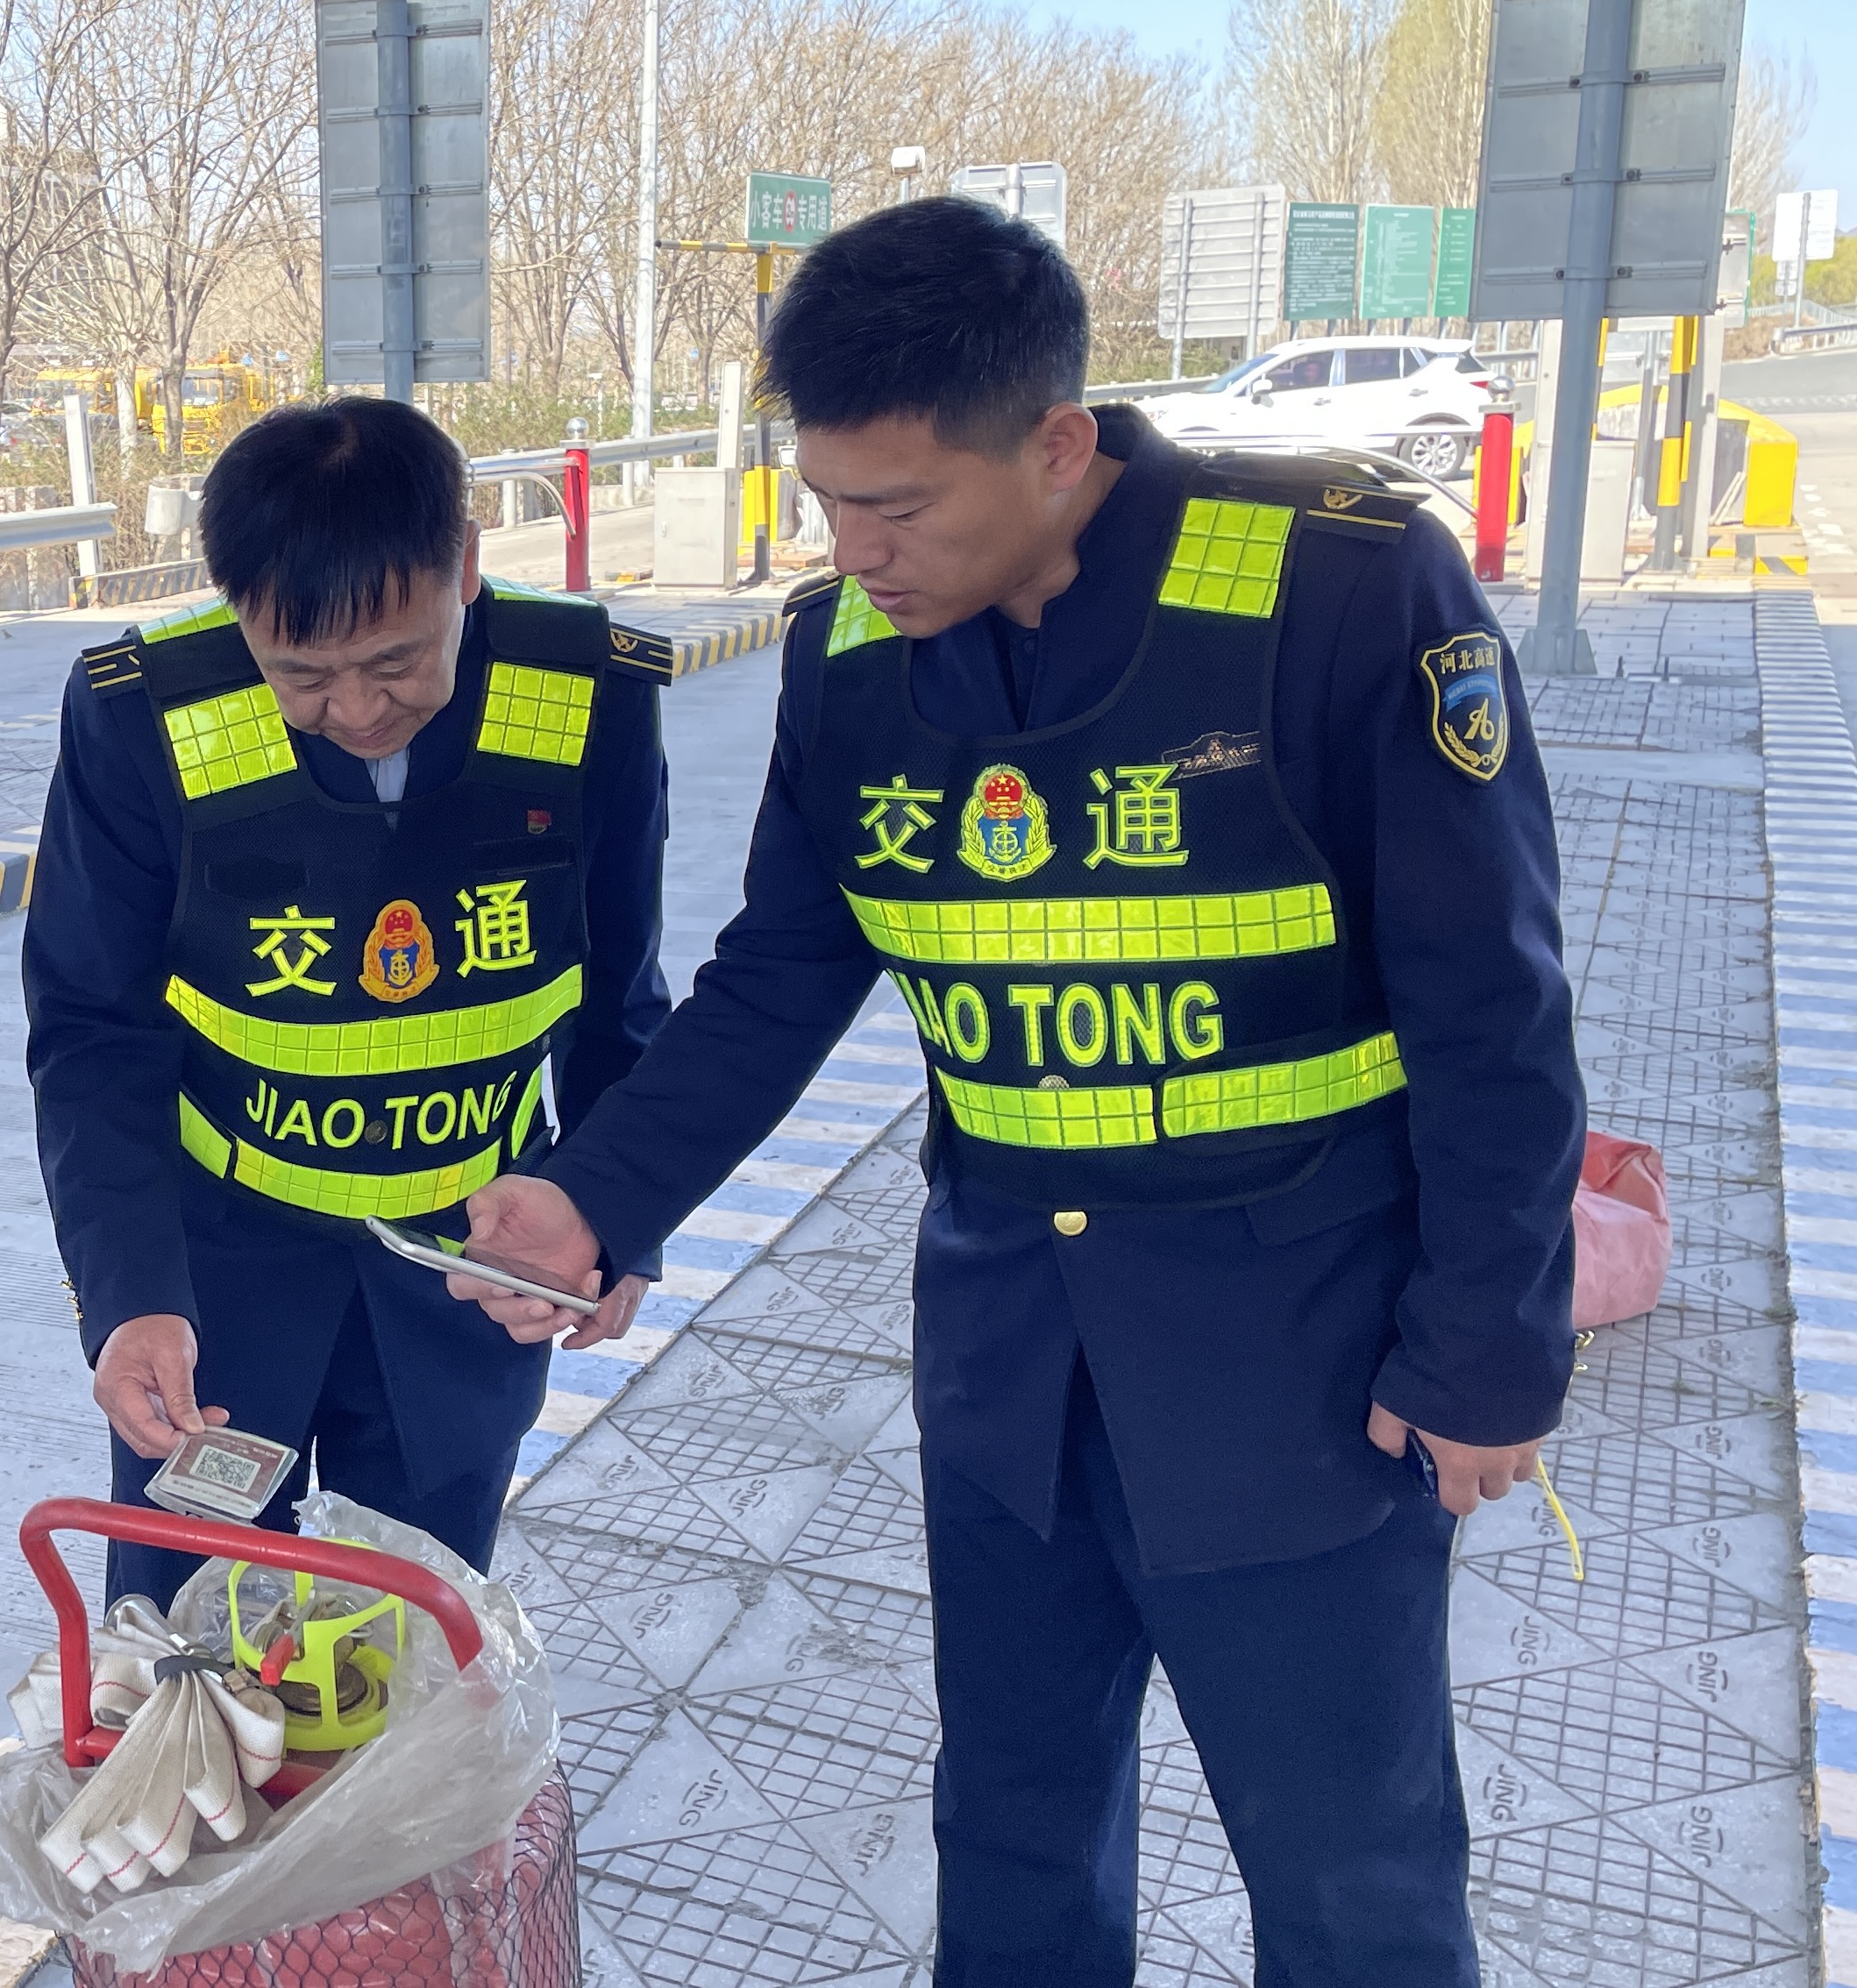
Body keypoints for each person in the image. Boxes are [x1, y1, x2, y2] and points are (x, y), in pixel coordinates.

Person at [448, 199, 1579, 1984]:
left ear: (1057, 446)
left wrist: (1491, 1348)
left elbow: (1490, 1009)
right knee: (1014, 1830)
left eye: (901, 508)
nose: (858, 550)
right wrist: (596, 1195)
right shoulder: (850, 657)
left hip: (1299, 1368)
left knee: (1348, 1866)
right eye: (831, 500)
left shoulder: (1343, 593)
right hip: (1011, 1362)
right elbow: (780, 975)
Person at [26, 396, 678, 1604]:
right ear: (237, 611)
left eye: (396, 661)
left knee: (417, 1644)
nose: (360, 709)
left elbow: (618, 993)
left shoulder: (582, 694)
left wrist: (616, 1214)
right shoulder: (147, 714)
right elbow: (93, 1032)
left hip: (474, 1266)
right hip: (217, 1289)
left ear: (466, 565)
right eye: (305, 676)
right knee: (190, 1651)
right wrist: (129, 1300)